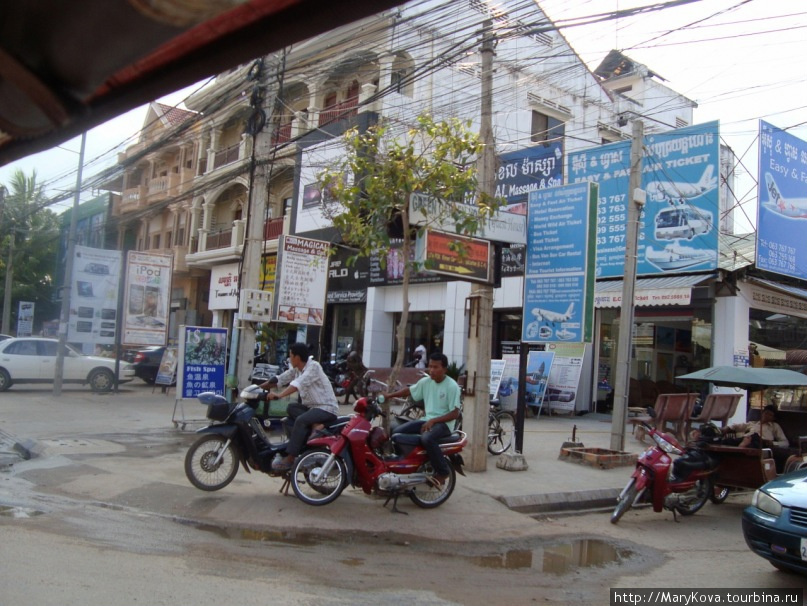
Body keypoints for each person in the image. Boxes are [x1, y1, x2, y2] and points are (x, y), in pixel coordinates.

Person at [382, 352, 461, 486]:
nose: (432, 370)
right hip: (427, 420)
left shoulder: (451, 386)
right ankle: (409, 464)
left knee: (427, 438)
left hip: (444, 424)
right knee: (396, 432)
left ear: (445, 369)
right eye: (430, 367)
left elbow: (455, 414)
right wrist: (389, 395)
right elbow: (409, 391)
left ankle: (442, 472)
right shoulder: (426, 382)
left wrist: (434, 421)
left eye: (436, 367)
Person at [260, 342, 340, 472]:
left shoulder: (314, 367)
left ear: (297, 357)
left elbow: (298, 384)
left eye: (291, 356)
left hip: (326, 408)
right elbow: (280, 379)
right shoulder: (296, 369)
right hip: (311, 409)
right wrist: (258, 388)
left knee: (301, 420)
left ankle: (291, 458)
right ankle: (312, 430)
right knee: (291, 408)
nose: (289, 358)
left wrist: (279, 396)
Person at [724, 404, 788, 449]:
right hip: (745, 439)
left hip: (761, 443)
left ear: (773, 418)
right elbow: (737, 426)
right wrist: (727, 428)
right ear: (762, 413)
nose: (767, 416)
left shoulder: (774, 426)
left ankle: (743, 446)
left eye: (770, 415)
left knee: (755, 436)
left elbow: (785, 443)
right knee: (727, 441)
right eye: (766, 413)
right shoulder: (753, 423)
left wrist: (773, 443)